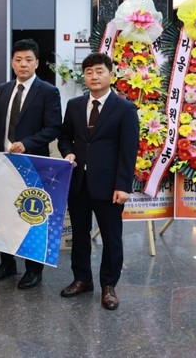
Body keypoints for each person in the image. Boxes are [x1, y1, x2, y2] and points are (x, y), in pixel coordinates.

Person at [58, 52, 138, 310]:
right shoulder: (74, 105)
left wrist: (123, 185)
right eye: (89, 72)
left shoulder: (125, 109)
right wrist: (67, 152)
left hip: (109, 186)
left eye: (99, 71)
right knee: (79, 235)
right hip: (79, 182)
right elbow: (65, 137)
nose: (94, 76)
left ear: (110, 75)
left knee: (111, 238)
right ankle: (82, 279)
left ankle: (109, 286)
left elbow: (129, 150)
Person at [0, 38, 61, 289]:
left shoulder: (48, 91)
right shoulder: (4, 89)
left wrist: (27, 143)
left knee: (32, 215)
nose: (23, 64)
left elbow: (53, 127)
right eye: (18, 60)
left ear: (37, 62)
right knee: (3, 214)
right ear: (12, 62)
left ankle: (33, 269)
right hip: (3, 163)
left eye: (28, 60)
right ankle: (7, 263)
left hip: (33, 164)